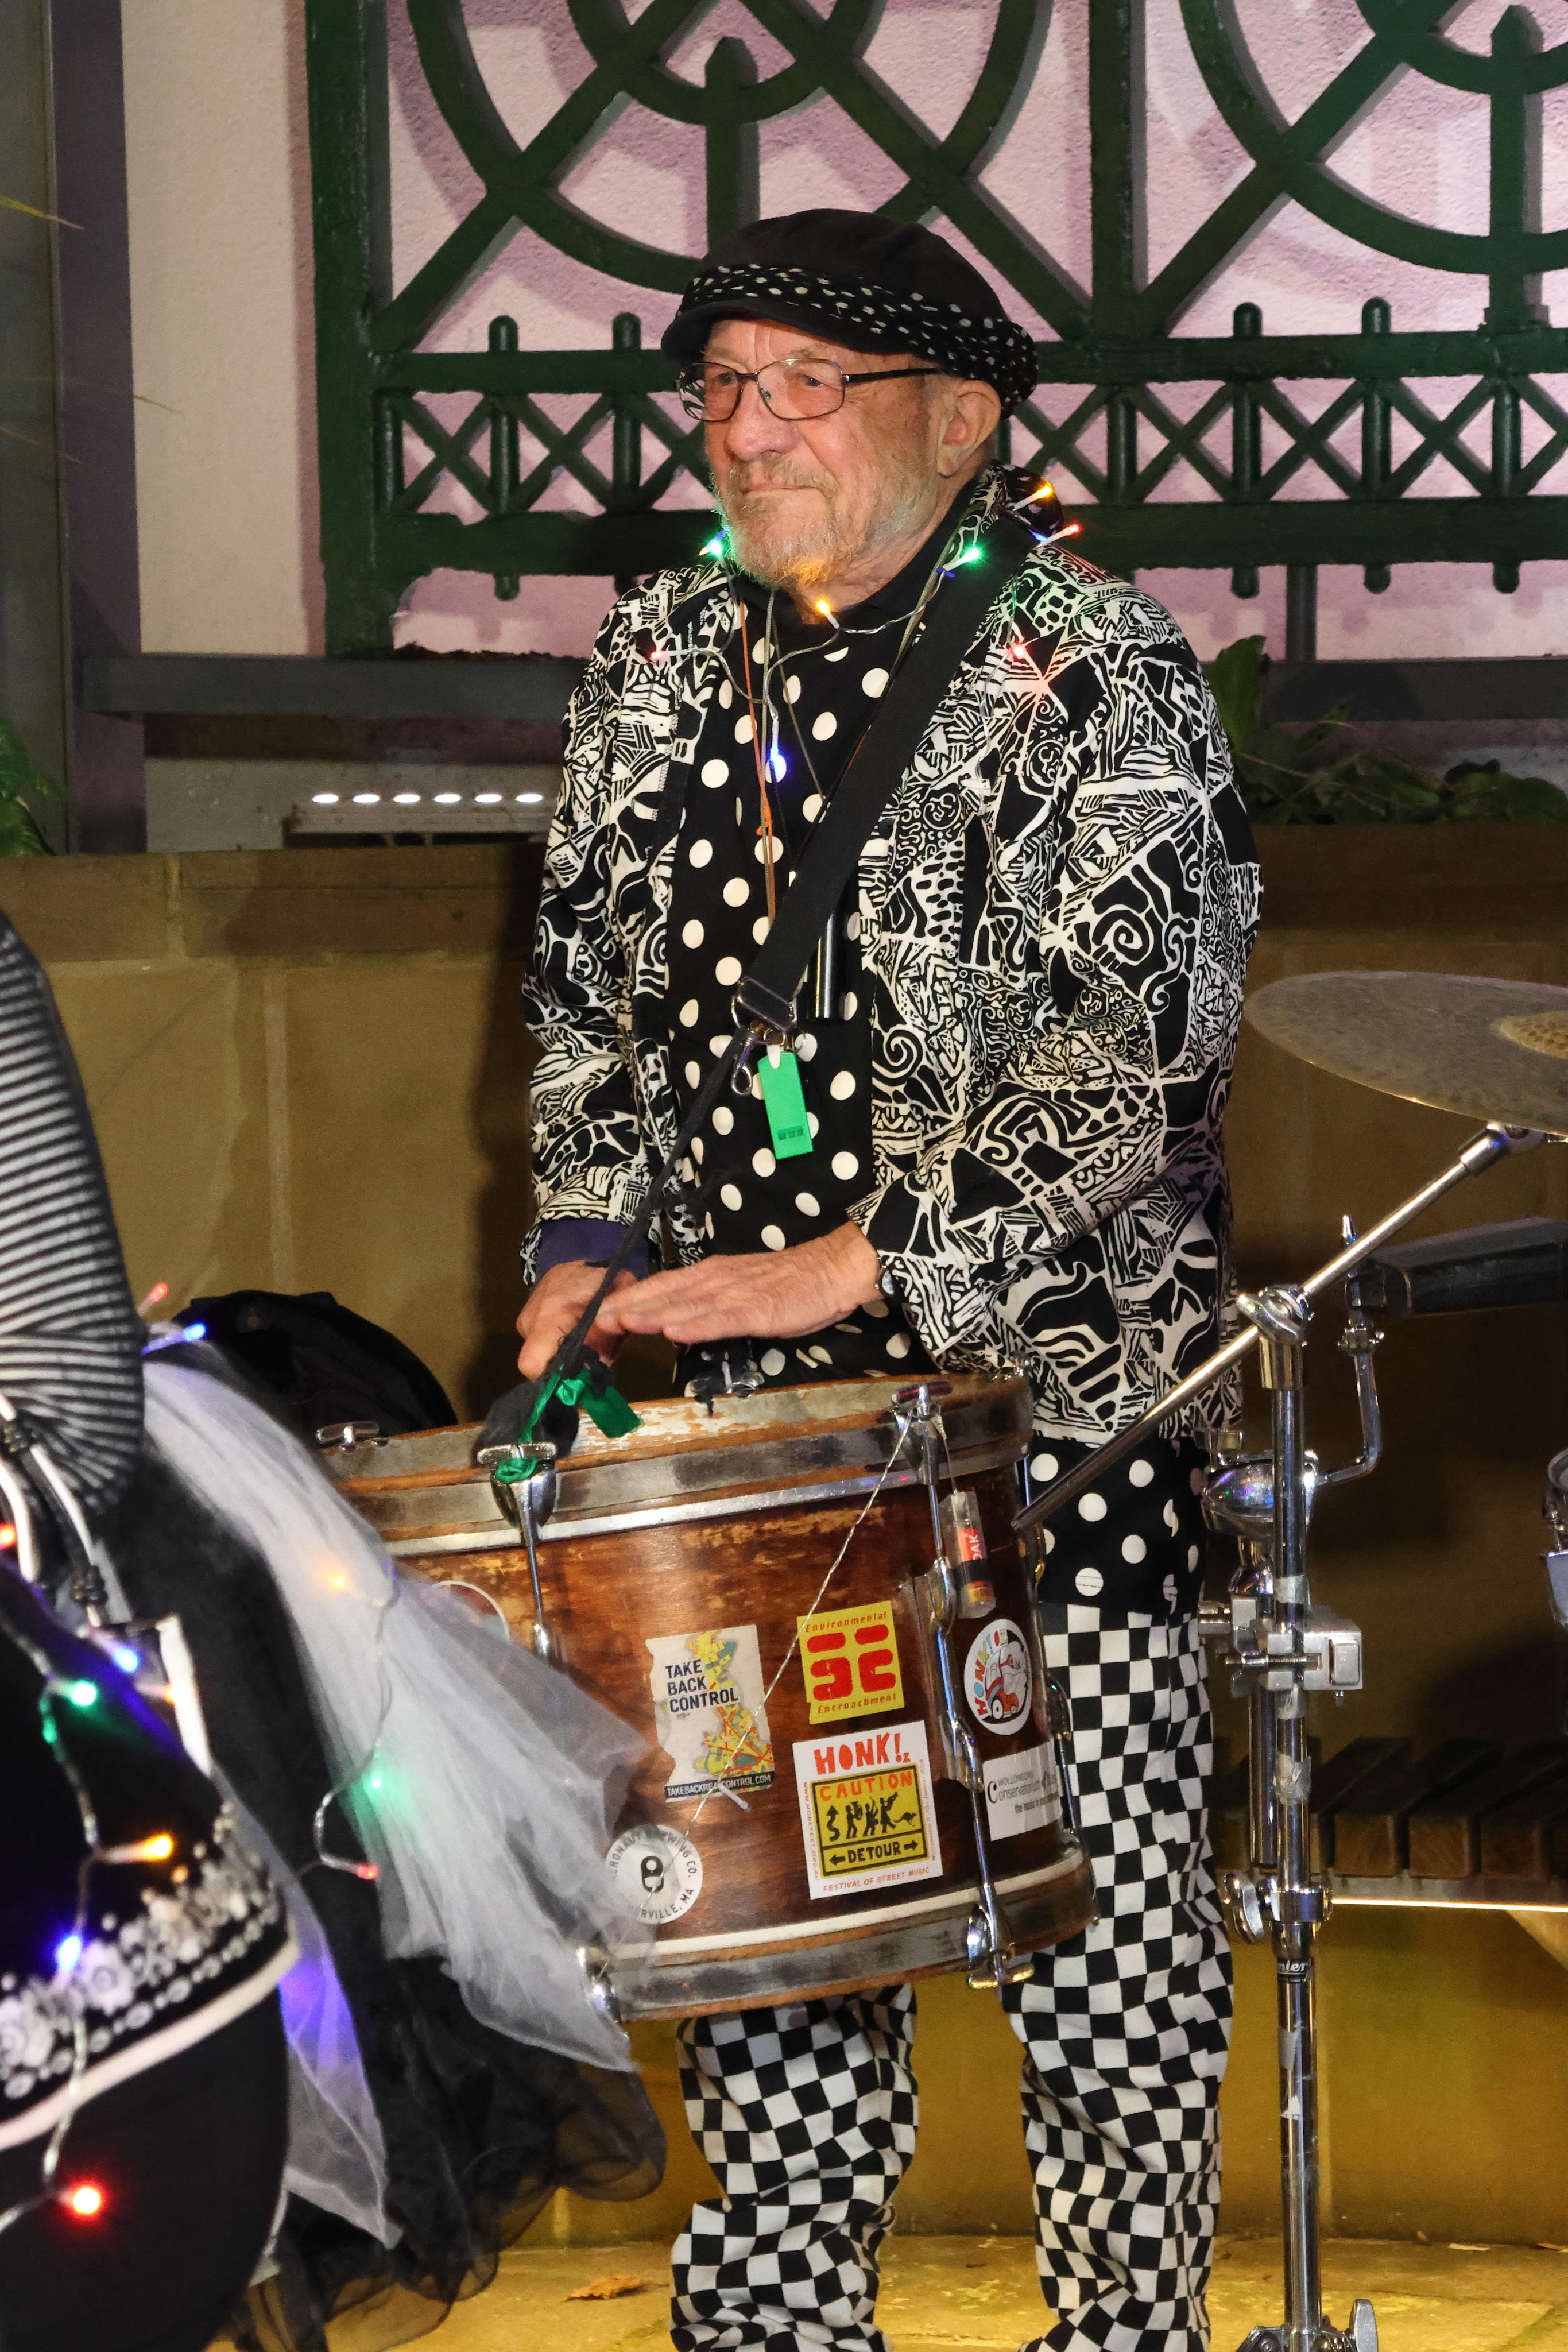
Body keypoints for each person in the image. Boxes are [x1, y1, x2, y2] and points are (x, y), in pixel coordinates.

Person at [515, 208, 1260, 2352]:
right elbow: (585, 999)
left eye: (803, 388)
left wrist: (856, 1259)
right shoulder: (660, 653)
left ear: (960, 415)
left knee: (1096, 1950)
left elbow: (1137, 1059)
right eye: (719, 389)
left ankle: (1122, 2331)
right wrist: (584, 1249)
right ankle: (774, 2328)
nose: (747, 431)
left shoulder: (1094, 663)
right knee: (774, 1941)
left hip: (1049, 1424)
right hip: (752, 1451)